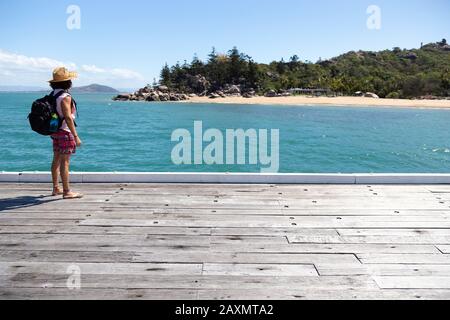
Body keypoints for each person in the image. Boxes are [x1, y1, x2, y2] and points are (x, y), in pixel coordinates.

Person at [48, 67, 83, 199]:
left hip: (55, 131)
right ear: (68, 82)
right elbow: (68, 117)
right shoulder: (65, 97)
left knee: (56, 159)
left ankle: (56, 188)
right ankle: (67, 191)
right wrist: (76, 136)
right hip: (65, 132)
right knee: (65, 162)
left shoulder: (52, 95)